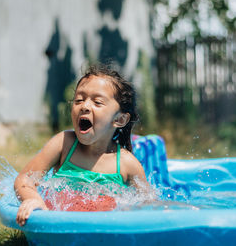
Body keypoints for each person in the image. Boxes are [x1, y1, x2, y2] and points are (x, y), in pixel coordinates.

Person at [14, 64, 149, 226]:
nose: (84, 106)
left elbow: (149, 204)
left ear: (119, 120)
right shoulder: (64, 144)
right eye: (79, 100)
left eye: (97, 102)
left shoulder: (127, 164)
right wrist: (34, 201)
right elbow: (25, 179)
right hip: (61, 226)